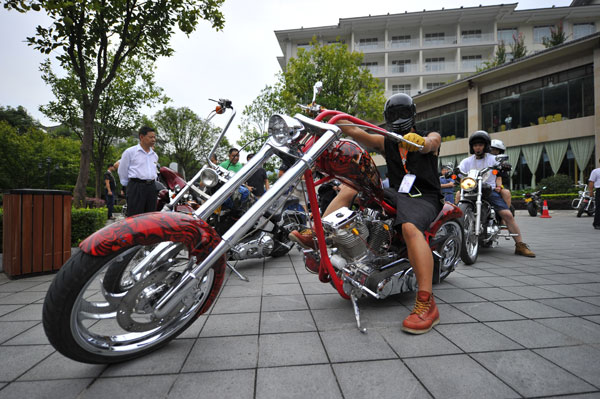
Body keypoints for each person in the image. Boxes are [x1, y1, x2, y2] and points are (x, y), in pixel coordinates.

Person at [290, 93, 445, 335]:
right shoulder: (388, 142)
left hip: (422, 196)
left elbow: (432, 142)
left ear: (413, 115)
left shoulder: (427, 135)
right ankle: (320, 232)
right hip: (396, 193)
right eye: (393, 115)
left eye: (403, 114)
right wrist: (328, 113)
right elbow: (356, 132)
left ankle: (427, 303)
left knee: (410, 228)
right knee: (352, 185)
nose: (398, 119)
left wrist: (421, 143)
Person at [458, 131, 535, 258]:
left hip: (489, 191)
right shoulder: (466, 161)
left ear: (486, 146)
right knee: (457, 206)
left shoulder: (493, 159)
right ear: (472, 147)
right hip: (471, 190)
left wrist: (504, 166)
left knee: (507, 214)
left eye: (480, 145)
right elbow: (460, 171)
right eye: (475, 145)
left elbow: (500, 165)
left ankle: (520, 245)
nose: (478, 147)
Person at [118, 126, 159, 217]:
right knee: (135, 216)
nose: (153, 140)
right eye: (150, 137)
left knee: (150, 216)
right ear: (141, 137)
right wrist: (127, 185)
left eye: (154, 137)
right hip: (136, 187)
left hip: (151, 187)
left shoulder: (154, 155)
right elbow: (122, 170)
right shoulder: (130, 152)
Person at [490, 139, 512, 208]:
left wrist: (505, 166)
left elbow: (499, 177)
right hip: (482, 185)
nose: (494, 152)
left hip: (499, 186)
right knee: (459, 193)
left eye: (496, 150)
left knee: (506, 193)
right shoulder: (483, 161)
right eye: (492, 150)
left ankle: (505, 217)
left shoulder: (501, 163)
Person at [588, 160, 600, 230]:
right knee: (599, 207)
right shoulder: (596, 171)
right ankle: (597, 223)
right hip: (599, 190)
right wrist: (591, 191)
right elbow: (591, 181)